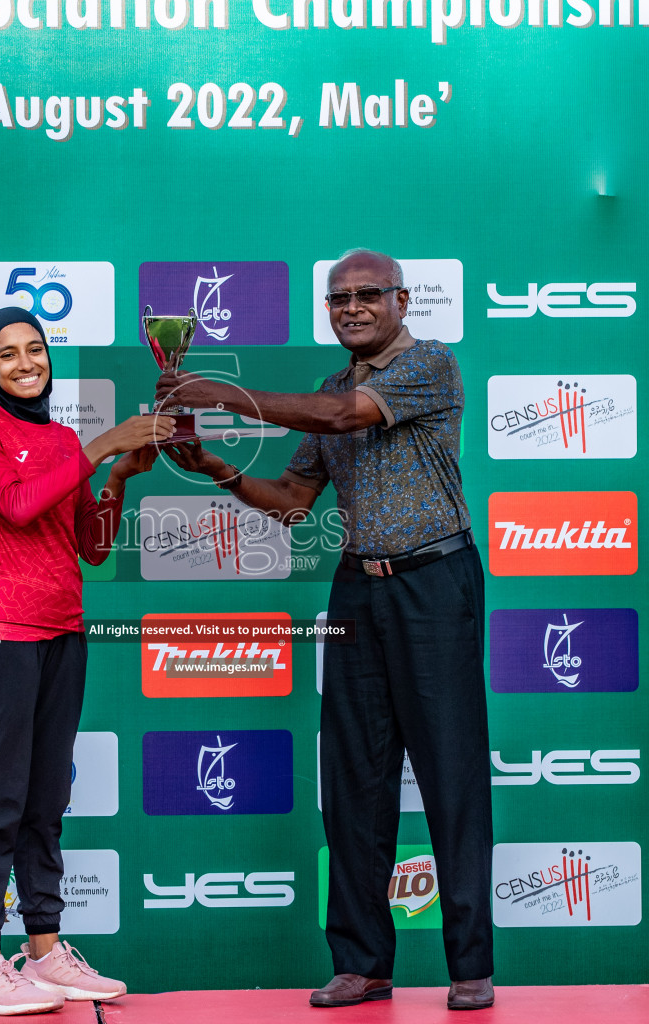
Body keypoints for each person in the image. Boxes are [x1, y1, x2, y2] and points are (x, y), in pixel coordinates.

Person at [156, 249, 494, 1011]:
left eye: (367, 294)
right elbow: (290, 503)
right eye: (338, 297)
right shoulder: (329, 389)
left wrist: (220, 393)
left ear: (402, 300)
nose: (351, 307)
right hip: (357, 591)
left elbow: (346, 419)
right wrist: (215, 467)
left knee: (452, 777)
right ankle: (364, 963)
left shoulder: (430, 365)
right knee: (353, 783)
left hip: (435, 582)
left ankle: (470, 965)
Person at [0, 306, 172, 1016]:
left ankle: (43, 953)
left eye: (35, 349)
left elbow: (92, 547)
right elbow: (15, 507)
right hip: (1, 634)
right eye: (8, 353)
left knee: (45, 806)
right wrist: (104, 445)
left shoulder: (64, 440)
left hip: (62, 634)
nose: (24, 362)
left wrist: (119, 478)